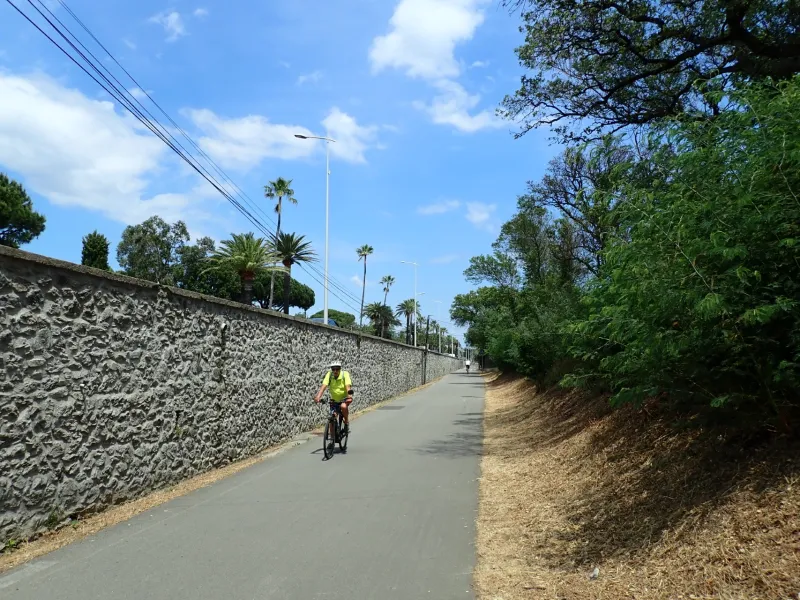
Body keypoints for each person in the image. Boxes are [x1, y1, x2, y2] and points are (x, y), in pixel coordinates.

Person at [314, 360, 353, 434]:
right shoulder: (329, 375)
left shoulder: (345, 374)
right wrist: (318, 397)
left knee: (343, 406)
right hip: (334, 400)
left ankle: (346, 421)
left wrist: (349, 396)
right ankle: (332, 439)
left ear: (340, 369)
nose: (335, 371)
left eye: (337, 369)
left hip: (344, 399)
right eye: (333, 369)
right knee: (332, 417)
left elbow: (348, 387)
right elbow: (323, 386)